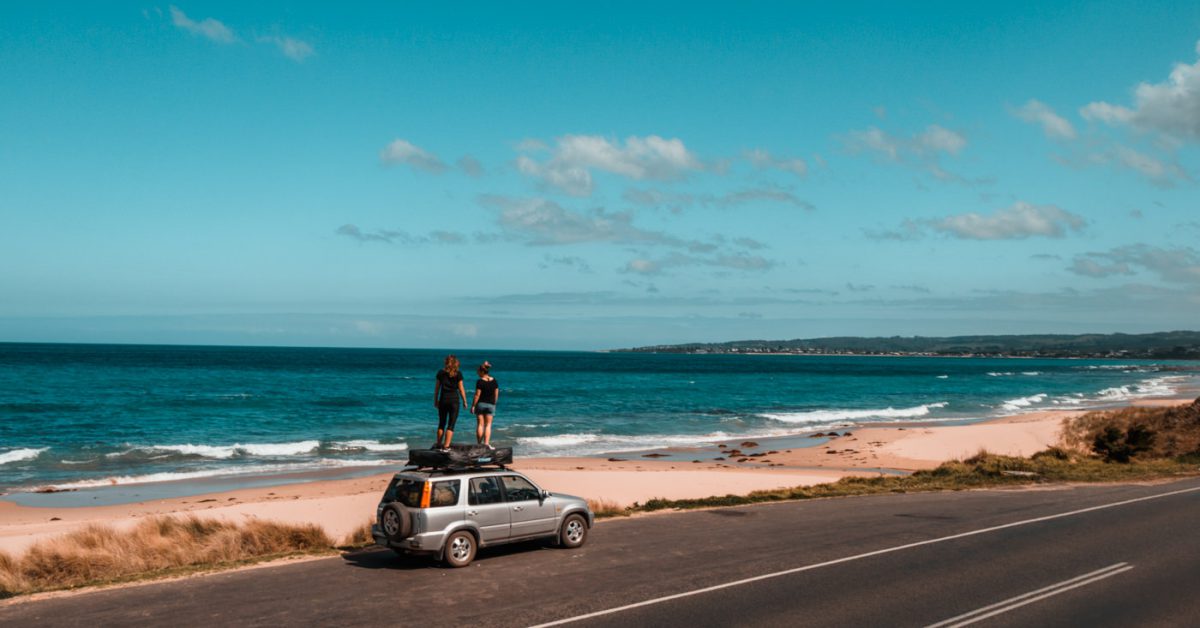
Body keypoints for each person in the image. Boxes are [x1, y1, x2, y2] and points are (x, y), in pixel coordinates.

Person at [433, 355, 467, 451]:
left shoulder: (440, 373)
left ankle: (439, 445)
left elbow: (437, 389)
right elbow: (461, 389)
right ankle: (446, 447)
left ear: (446, 362)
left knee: (441, 424)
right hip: (454, 401)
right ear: (456, 363)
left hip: (443, 400)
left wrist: (435, 400)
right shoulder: (458, 374)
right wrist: (464, 400)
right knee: (451, 424)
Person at [470, 361, 500, 449]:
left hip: (480, 404)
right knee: (488, 425)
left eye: (478, 371)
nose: (477, 373)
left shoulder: (480, 382)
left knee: (480, 425)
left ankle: (479, 444)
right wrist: (494, 403)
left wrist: (473, 405)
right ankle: (486, 444)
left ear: (482, 372)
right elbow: (496, 393)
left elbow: (477, 395)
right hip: (491, 405)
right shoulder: (494, 381)